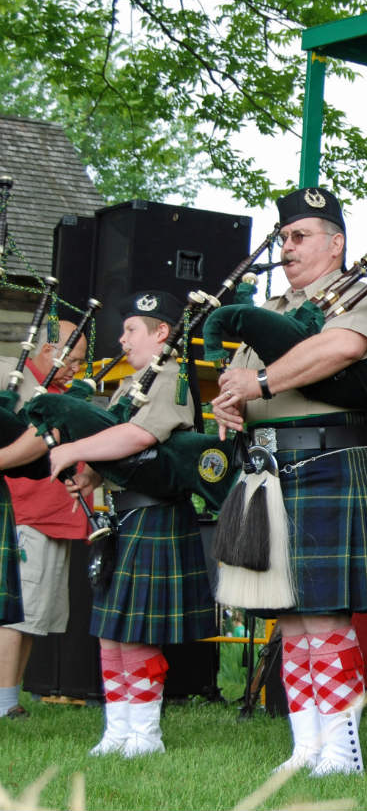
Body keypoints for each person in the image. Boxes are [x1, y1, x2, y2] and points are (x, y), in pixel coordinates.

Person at [212, 187, 367, 777]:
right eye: (284, 237)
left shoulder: (354, 296)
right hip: (268, 468)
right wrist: (228, 400)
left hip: (329, 459)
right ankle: (306, 743)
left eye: (301, 236)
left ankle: (341, 748)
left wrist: (260, 383)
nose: (287, 247)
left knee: (324, 614)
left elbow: (338, 351)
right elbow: (235, 377)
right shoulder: (271, 308)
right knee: (288, 613)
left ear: (336, 242)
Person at [48, 292, 215, 757]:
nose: (122, 340)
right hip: (126, 513)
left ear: (162, 333)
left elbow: (141, 435)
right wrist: (90, 476)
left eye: (131, 330)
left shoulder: (171, 375)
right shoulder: (131, 383)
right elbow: (118, 447)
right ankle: (117, 729)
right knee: (112, 628)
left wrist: (75, 451)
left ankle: (145, 733)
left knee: (136, 631)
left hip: (156, 511)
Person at [0, 320, 89, 720]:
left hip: (53, 518)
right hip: (27, 514)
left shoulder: (57, 392)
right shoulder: (18, 385)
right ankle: (3, 703)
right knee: (13, 616)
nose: (77, 369)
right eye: (74, 359)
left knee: (33, 617)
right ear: (50, 349)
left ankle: (9, 698)